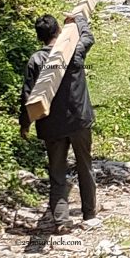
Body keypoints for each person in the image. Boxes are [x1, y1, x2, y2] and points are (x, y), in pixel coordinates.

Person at [18, 13, 97, 232]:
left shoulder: (35, 60)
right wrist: (78, 20)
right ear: (58, 32)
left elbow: (28, 97)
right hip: (79, 120)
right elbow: (88, 37)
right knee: (85, 167)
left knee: (57, 172)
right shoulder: (72, 53)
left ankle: (61, 220)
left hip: (51, 125)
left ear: (39, 37)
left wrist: (25, 124)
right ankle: (89, 214)